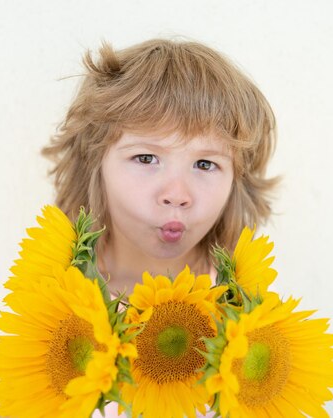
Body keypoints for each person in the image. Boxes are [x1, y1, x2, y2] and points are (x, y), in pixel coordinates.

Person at [41, 38, 279, 417]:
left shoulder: (248, 314)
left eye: (205, 164)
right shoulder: (54, 307)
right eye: (146, 157)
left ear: (238, 180)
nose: (177, 194)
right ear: (94, 165)